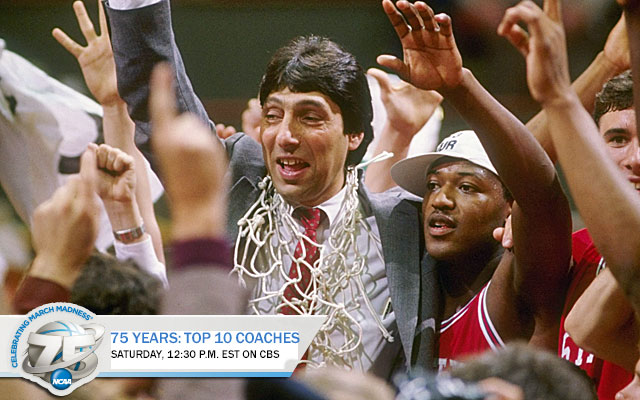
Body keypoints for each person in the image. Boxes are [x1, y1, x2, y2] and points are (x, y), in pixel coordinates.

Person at [104, 0, 430, 376]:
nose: (285, 136)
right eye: (273, 115)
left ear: (354, 133)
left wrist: (460, 90)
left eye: (310, 117)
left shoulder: (402, 225)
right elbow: (157, 99)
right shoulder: (238, 177)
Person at [381, 0, 571, 369]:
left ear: (509, 208)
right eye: (432, 185)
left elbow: (541, 194)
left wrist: (459, 86)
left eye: (467, 187)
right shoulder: (410, 291)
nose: (441, 200)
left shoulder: (514, 289)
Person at [496, 0, 640, 398]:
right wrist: (606, 65)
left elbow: (587, 327)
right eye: (618, 139)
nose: (636, 159)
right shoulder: (572, 252)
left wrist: (560, 96)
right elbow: (509, 177)